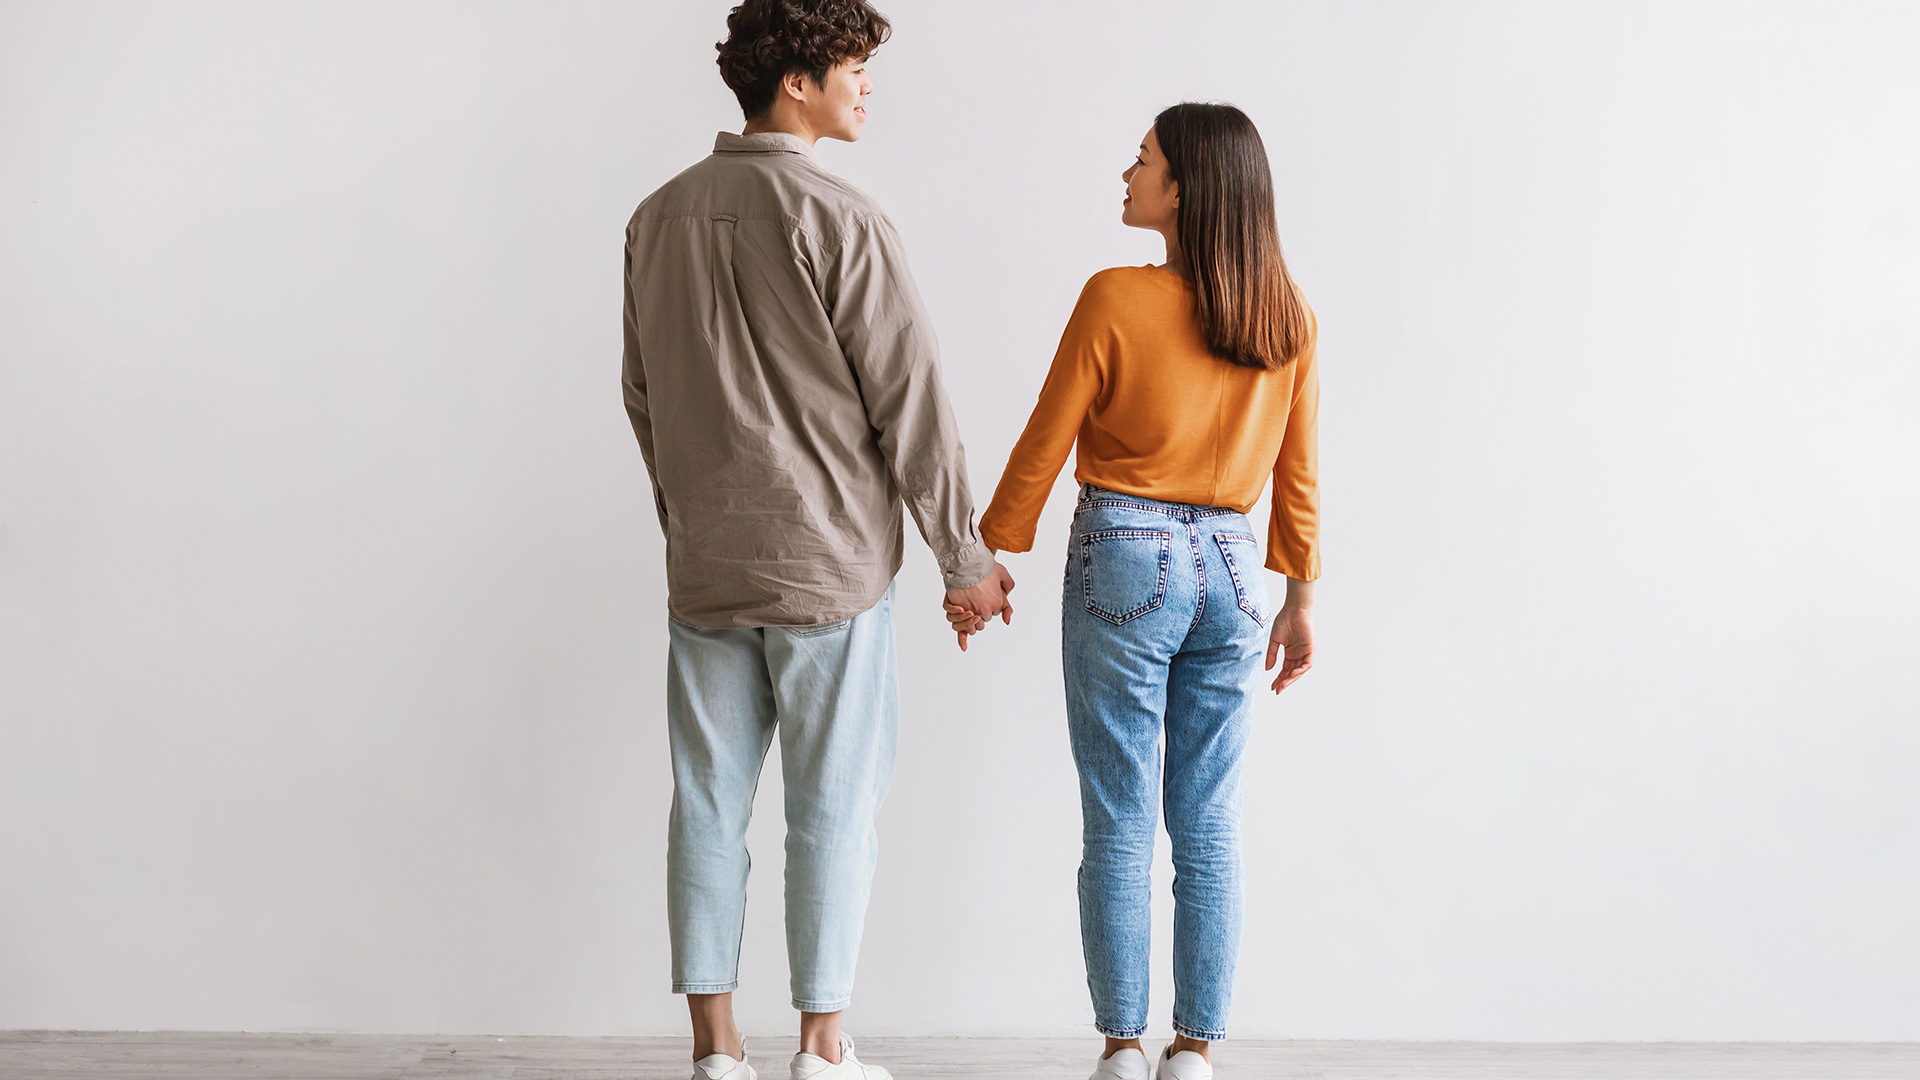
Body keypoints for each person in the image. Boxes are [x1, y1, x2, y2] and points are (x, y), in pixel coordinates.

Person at [621, 3, 1015, 1078]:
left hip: (706, 567)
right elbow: (914, 406)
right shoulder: (842, 219)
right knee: (831, 806)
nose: (867, 86)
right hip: (828, 570)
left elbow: (643, 398)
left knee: (705, 799)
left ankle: (713, 1051)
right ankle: (823, 1049)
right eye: (853, 67)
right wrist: (963, 560)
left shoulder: (655, 220)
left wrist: (692, 519)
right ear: (795, 80)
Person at [956, 103, 1320, 1080]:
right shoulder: (1287, 315)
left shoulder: (1116, 296)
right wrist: (1300, 598)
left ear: (1184, 187)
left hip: (1126, 548)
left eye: (1143, 160)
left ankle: (1122, 1044)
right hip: (1239, 570)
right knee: (1207, 822)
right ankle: (1193, 1050)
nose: (1128, 173)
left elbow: (1048, 433)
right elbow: (1299, 471)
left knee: (1118, 816)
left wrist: (993, 557)